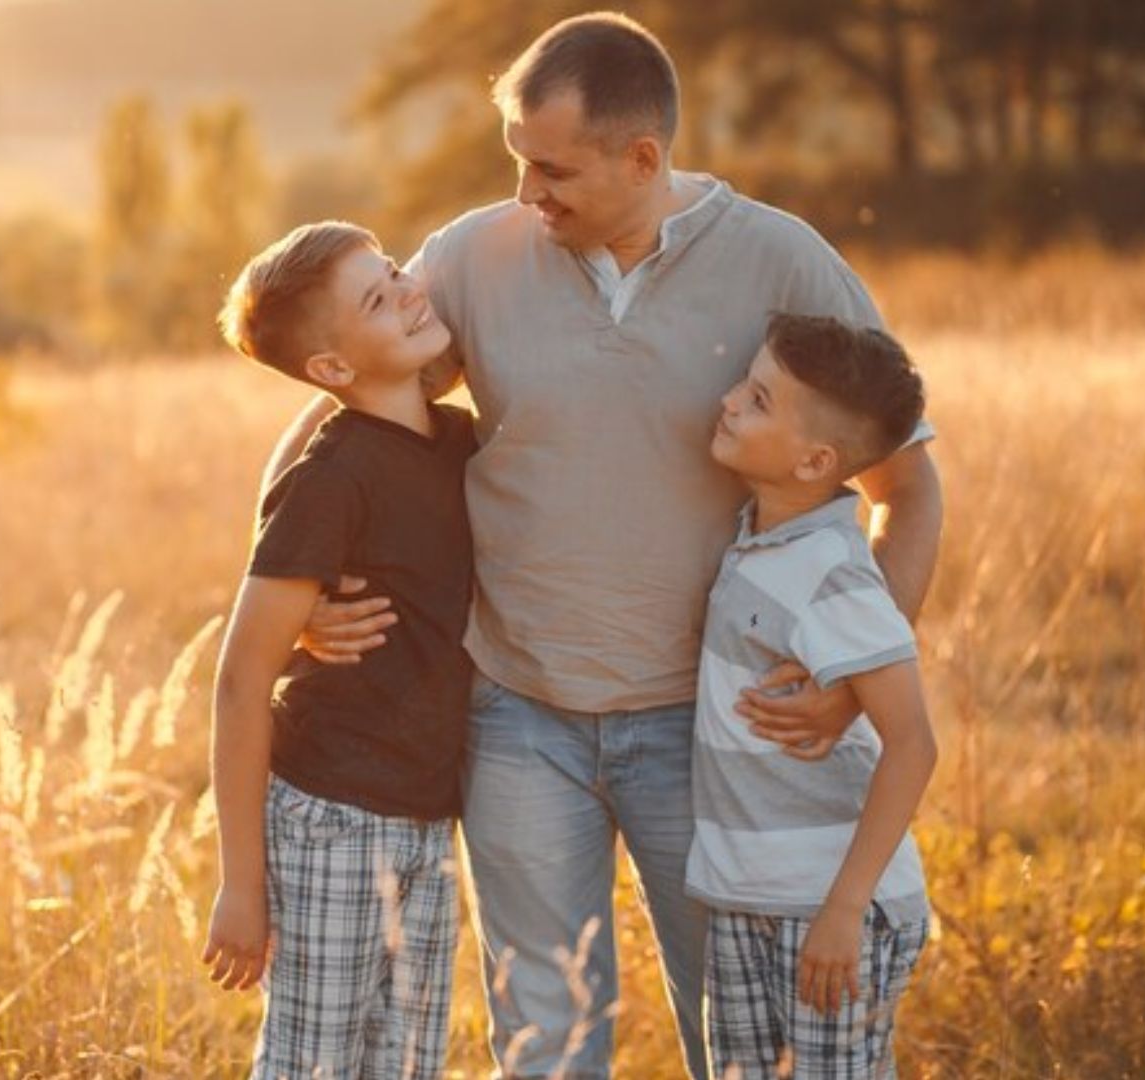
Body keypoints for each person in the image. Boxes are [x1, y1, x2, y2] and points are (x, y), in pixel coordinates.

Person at [267, 12, 944, 1078]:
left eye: (552, 170)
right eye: (517, 162)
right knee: (545, 1044)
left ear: (643, 157)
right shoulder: (474, 258)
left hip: (709, 732)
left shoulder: (782, 260)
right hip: (516, 718)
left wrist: (856, 677)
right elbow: (343, 404)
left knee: (737, 1039)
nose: (527, 194)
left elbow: (906, 485)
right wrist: (291, 594)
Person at [201, 220, 475, 1079]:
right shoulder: (332, 479)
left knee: (406, 1066)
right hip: (331, 819)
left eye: (393, 270)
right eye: (374, 297)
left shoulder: (458, 441)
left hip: (429, 820)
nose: (405, 290)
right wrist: (240, 885)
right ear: (330, 371)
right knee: (312, 1066)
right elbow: (243, 682)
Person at [688, 313, 935, 1078]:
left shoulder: (833, 571)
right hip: (745, 895)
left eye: (759, 400)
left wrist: (844, 909)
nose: (729, 400)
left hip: (828, 907)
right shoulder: (760, 539)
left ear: (816, 461)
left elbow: (914, 745)